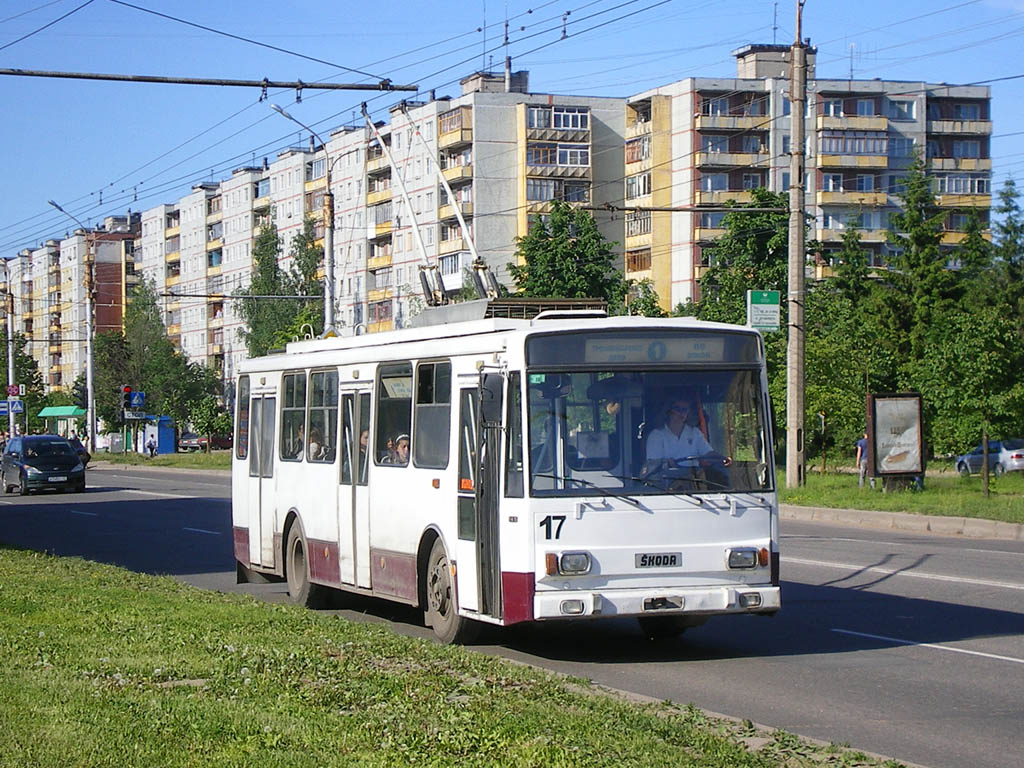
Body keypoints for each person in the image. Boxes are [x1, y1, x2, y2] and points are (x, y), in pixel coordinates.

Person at [643, 397, 730, 488]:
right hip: (666, 486)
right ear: (668, 412)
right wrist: (667, 464)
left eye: (685, 410)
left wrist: (722, 459)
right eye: (677, 409)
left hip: (694, 483)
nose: (681, 413)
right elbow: (653, 466)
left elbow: (708, 453)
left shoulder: (694, 432)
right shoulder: (656, 435)